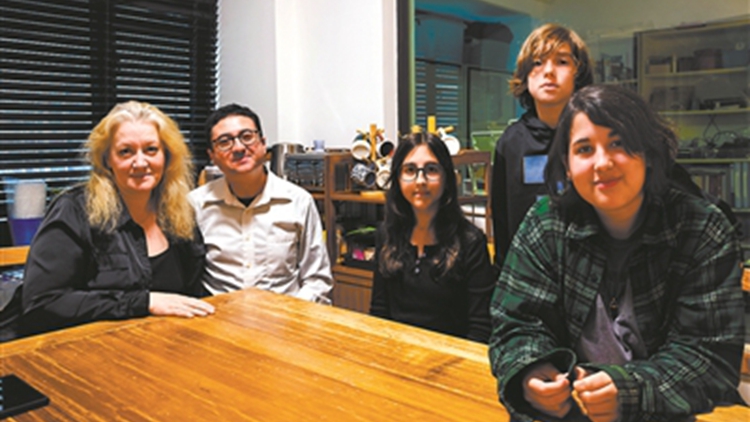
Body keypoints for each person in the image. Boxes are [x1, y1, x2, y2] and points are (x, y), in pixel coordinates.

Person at [489, 85, 745, 422]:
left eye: (619, 143)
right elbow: (516, 324)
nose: (603, 163)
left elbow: (710, 357)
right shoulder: (545, 223)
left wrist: (629, 391)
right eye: (584, 149)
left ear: (648, 153)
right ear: (567, 165)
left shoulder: (702, 228)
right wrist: (531, 371)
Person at [22, 101, 215, 335]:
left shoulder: (178, 210)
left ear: (166, 156)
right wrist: (144, 302)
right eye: (126, 152)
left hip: (164, 341)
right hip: (86, 346)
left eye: (151, 149)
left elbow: (190, 295)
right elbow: (42, 302)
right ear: (107, 160)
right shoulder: (74, 209)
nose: (140, 162)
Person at [188, 104, 333, 303]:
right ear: (212, 156)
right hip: (220, 316)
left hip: (284, 316)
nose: (239, 148)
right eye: (224, 142)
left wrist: (294, 314)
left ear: (263, 144)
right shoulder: (195, 205)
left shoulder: (298, 201)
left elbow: (317, 280)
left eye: (247, 137)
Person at [370, 132, 495, 343]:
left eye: (431, 170)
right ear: (397, 178)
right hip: (397, 354)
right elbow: (379, 315)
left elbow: (481, 330)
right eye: (410, 170)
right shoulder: (386, 235)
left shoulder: (470, 242)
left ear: (447, 178)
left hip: (452, 357)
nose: (420, 180)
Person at [491, 23, 593, 265]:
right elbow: (502, 221)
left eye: (562, 61)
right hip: (528, 269)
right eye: (537, 63)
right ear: (525, 74)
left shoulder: (594, 135)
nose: (548, 71)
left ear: (578, 72)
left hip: (586, 266)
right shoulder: (511, 142)